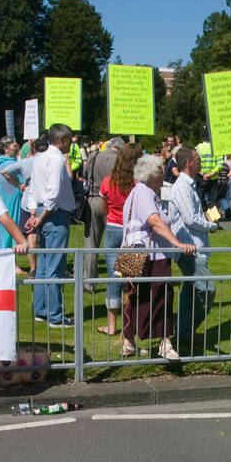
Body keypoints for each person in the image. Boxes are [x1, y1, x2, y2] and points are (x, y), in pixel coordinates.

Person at [119, 153, 194, 360]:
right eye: (161, 170)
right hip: (149, 256)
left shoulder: (141, 193)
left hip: (134, 252)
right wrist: (177, 243)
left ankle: (129, 341)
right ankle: (164, 343)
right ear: (152, 174)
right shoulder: (143, 193)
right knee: (160, 296)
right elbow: (155, 221)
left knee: (136, 298)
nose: (164, 174)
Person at [21, 125, 77, 328]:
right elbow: (52, 194)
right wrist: (42, 216)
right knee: (54, 268)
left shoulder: (39, 158)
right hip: (54, 214)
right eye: (69, 140)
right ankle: (55, 316)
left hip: (43, 211)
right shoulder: (56, 160)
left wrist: (34, 212)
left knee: (44, 266)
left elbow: (33, 188)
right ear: (61, 140)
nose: (71, 144)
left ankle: (41, 310)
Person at [168, 146, 220, 351]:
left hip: (194, 248)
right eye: (197, 159)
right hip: (189, 250)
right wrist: (211, 225)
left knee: (190, 292)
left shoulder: (189, 185)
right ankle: (184, 329)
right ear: (188, 162)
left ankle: (184, 332)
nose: (200, 162)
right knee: (207, 290)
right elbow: (190, 219)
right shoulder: (182, 187)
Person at [97, 143, 141, 337]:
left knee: (113, 278)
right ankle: (128, 326)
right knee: (131, 279)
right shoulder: (139, 184)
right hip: (132, 232)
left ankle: (112, 324)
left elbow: (102, 208)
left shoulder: (108, 182)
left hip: (113, 230)